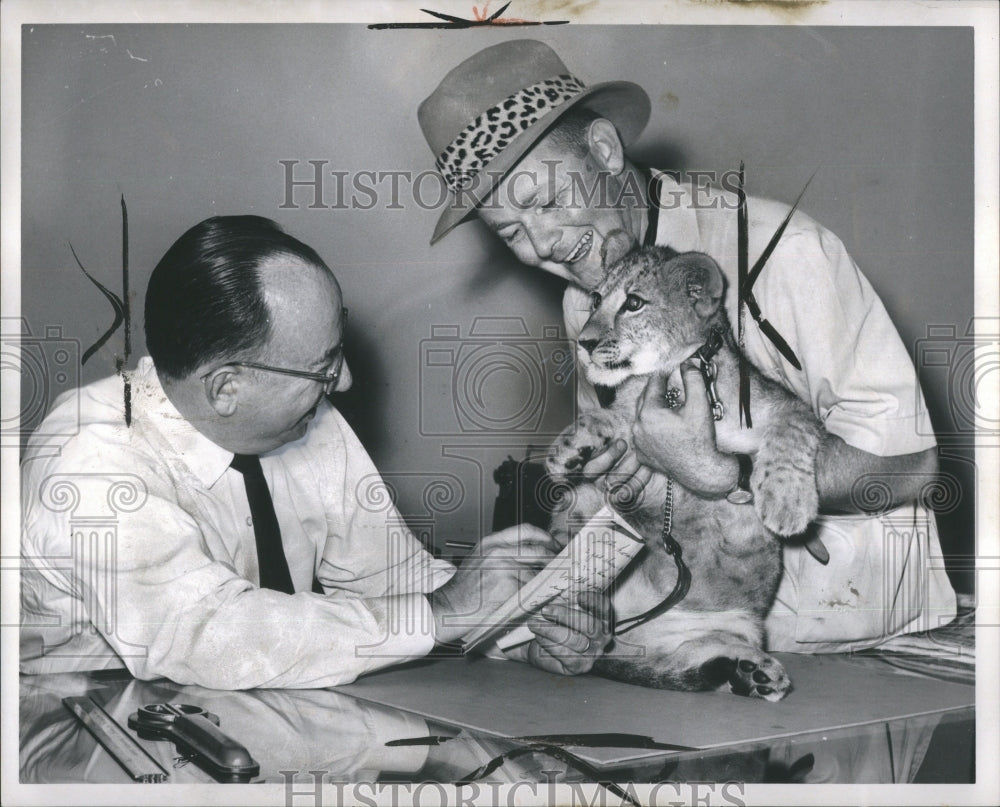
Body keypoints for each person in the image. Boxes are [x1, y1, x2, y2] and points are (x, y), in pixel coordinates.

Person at [419, 39, 957, 653]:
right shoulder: (584, 300)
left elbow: (914, 470)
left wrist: (720, 472)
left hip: (853, 639)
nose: (542, 243)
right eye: (511, 231)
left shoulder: (785, 251)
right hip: (697, 631)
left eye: (547, 200)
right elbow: (629, 482)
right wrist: (574, 604)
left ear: (603, 150)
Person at [19, 215, 608, 689]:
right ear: (227, 387)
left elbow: (393, 576)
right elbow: (207, 637)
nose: (345, 381)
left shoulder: (305, 415)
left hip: (252, 709)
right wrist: (446, 611)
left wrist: (520, 629)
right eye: (324, 367)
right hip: (82, 725)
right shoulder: (89, 458)